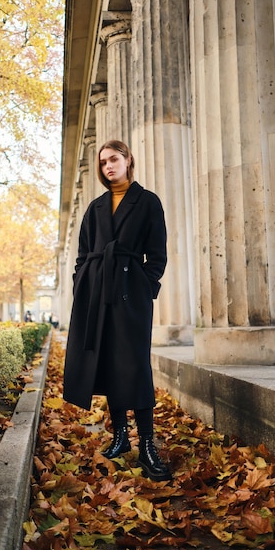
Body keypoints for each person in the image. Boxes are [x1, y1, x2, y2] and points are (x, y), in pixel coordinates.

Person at [63, 139, 171, 481]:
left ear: (128, 160)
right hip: (96, 293)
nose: (108, 166)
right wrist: (83, 281)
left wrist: (145, 287)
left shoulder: (147, 201)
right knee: (108, 363)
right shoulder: (95, 207)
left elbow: (157, 255)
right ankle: (121, 437)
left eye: (114, 159)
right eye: (103, 162)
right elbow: (82, 253)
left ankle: (148, 445)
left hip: (129, 294)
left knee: (135, 366)